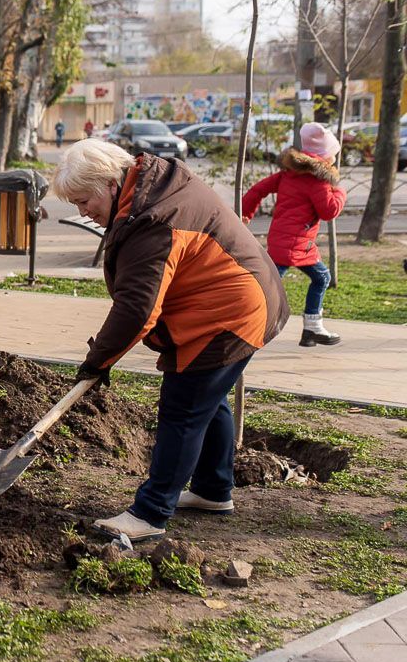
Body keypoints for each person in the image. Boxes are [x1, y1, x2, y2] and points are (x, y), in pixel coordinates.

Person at [53, 139, 288, 543]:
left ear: (109, 182)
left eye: (83, 200)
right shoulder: (152, 186)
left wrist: (98, 360)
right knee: (207, 403)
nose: (83, 212)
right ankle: (214, 490)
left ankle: (151, 512)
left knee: (182, 409)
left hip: (228, 314)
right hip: (240, 299)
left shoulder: (153, 219)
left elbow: (137, 310)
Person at [242, 123, 346, 347]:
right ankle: (245, 322)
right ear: (325, 157)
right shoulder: (317, 181)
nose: (335, 160)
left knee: (277, 280)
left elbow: (256, 190)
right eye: (333, 155)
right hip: (295, 244)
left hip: (287, 240)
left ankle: (310, 331)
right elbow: (329, 211)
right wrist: (339, 192)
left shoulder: (288, 174)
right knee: (271, 284)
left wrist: (245, 212)